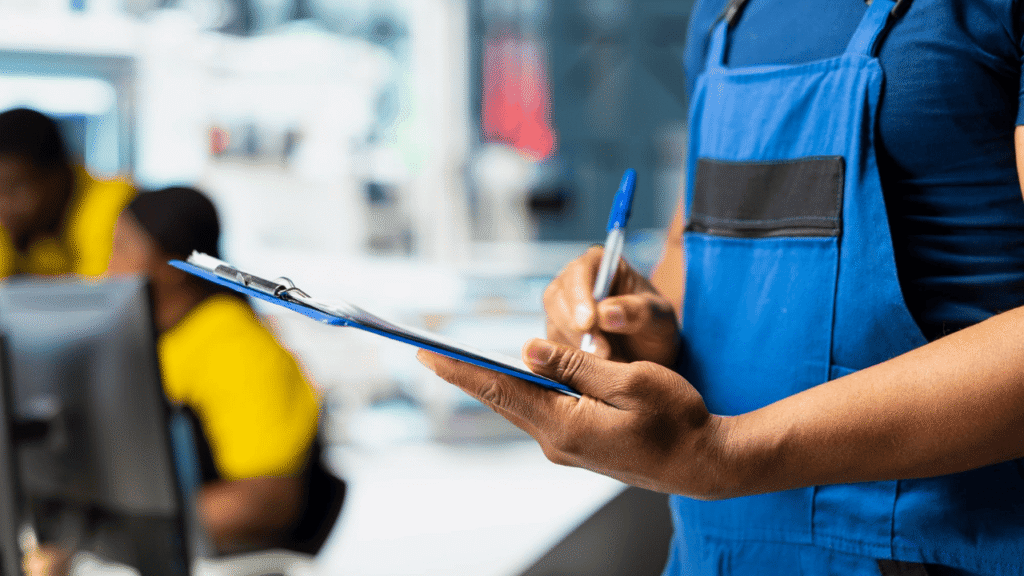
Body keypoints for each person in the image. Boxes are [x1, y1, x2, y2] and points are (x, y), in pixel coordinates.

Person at [419, 0, 1024, 574]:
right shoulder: (725, 12)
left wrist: (729, 454)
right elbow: (691, 256)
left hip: (939, 553)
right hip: (716, 555)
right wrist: (639, 329)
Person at [25, 187, 325, 575]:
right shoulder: (152, 338)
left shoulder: (234, 346)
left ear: (170, 264)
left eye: (122, 248)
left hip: (223, 563)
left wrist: (117, 536)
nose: (107, 268)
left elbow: (265, 500)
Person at [0, 108, 134, 278]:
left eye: (12, 188)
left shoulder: (112, 207)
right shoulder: (26, 224)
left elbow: (101, 300)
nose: (3, 205)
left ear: (59, 175)